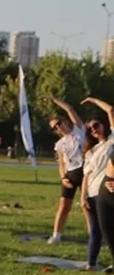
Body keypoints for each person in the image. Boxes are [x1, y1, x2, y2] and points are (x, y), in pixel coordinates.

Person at [80, 98, 114, 271]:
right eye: (90, 129)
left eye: (96, 125)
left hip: (108, 192)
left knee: (109, 230)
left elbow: (111, 111)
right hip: (92, 193)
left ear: (103, 125)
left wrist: (93, 100)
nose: (94, 129)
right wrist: (83, 196)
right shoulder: (90, 151)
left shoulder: (111, 142)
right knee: (95, 231)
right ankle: (91, 264)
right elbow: (87, 175)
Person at [48, 97, 85, 244]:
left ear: (64, 121)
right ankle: (56, 235)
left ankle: (94, 235)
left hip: (84, 172)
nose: (58, 127)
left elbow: (69, 108)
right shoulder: (60, 144)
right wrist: (63, 178)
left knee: (87, 206)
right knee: (64, 206)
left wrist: (53, 100)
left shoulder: (78, 130)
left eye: (58, 123)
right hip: (70, 175)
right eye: (54, 127)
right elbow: (61, 164)